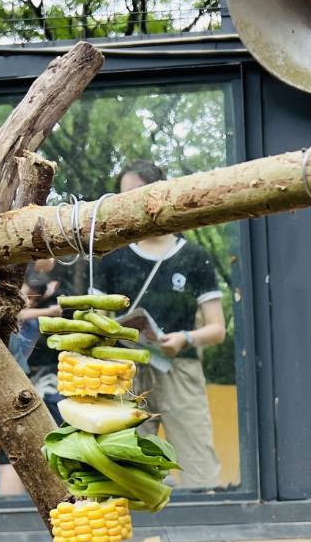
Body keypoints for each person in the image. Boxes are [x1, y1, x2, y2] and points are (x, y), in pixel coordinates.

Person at [94, 159, 227, 490]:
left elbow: (217, 329)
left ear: (157, 194)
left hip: (178, 368)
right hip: (127, 373)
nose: (125, 204)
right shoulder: (113, 257)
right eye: (120, 197)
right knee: (132, 465)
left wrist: (183, 337)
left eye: (134, 195)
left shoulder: (193, 257)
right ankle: (144, 538)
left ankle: (201, 532)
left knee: (197, 460)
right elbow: (95, 322)